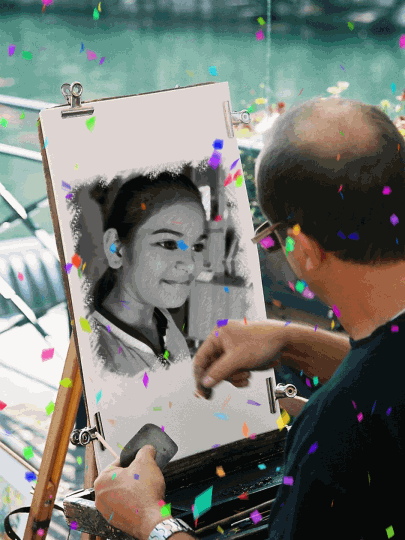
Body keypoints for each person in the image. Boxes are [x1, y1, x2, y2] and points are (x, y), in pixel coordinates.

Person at [94, 96, 405, 540]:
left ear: (303, 249)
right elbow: (388, 370)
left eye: (272, 236)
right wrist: (291, 341)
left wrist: (151, 521)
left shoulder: (333, 431)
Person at [88, 172, 209, 377]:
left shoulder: (160, 317)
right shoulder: (100, 361)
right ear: (116, 249)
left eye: (197, 246)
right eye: (168, 244)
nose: (190, 265)